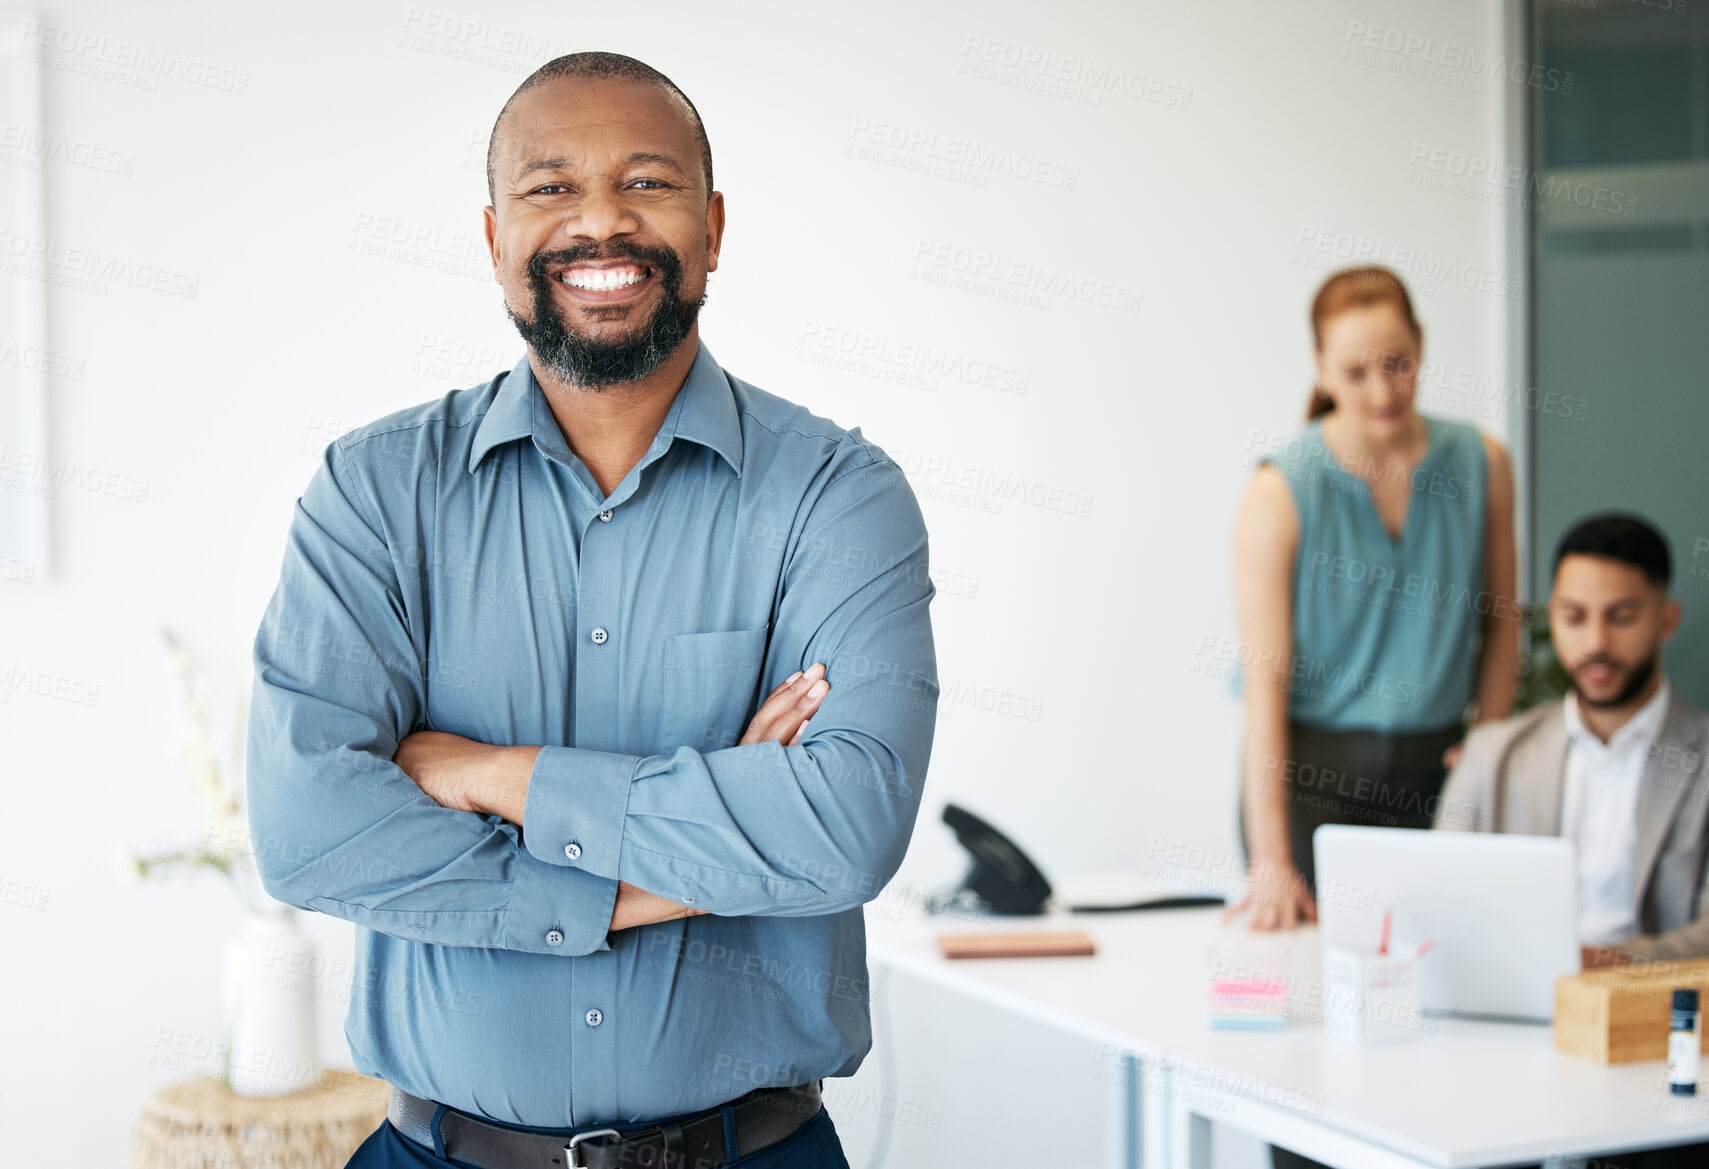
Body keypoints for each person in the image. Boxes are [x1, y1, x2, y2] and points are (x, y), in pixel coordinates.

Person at [245, 52, 938, 1169]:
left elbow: (846, 824)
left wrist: (492, 774)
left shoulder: (835, 495)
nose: (601, 225)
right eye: (550, 187)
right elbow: (309, 832)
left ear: (711, 227)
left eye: (647, 183)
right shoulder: (373, 491)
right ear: (492, 238)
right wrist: (657, 885)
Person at [1229, 266, 1519, 929]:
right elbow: (1263, 684)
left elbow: (1502, 622)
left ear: (1420, 344)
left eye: (1398, 363)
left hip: (1437, 775)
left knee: (1445, 965)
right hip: (1308, 784)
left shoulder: (1482, 462)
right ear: (1320, 368)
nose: (1382, 390)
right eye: (1356, 373)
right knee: (1309, 985)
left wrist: (1486, 745)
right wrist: (1271, 856)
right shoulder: (1279, 490)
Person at [1437, 513, 1709, 967]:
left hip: (1647, 1009)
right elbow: (1439, 896)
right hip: (1509, 995)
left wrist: (1612, 962)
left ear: (1666, 620)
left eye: (1621, 617)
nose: (1596, 642)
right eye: (1574, 617)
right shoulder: (1492, 753)